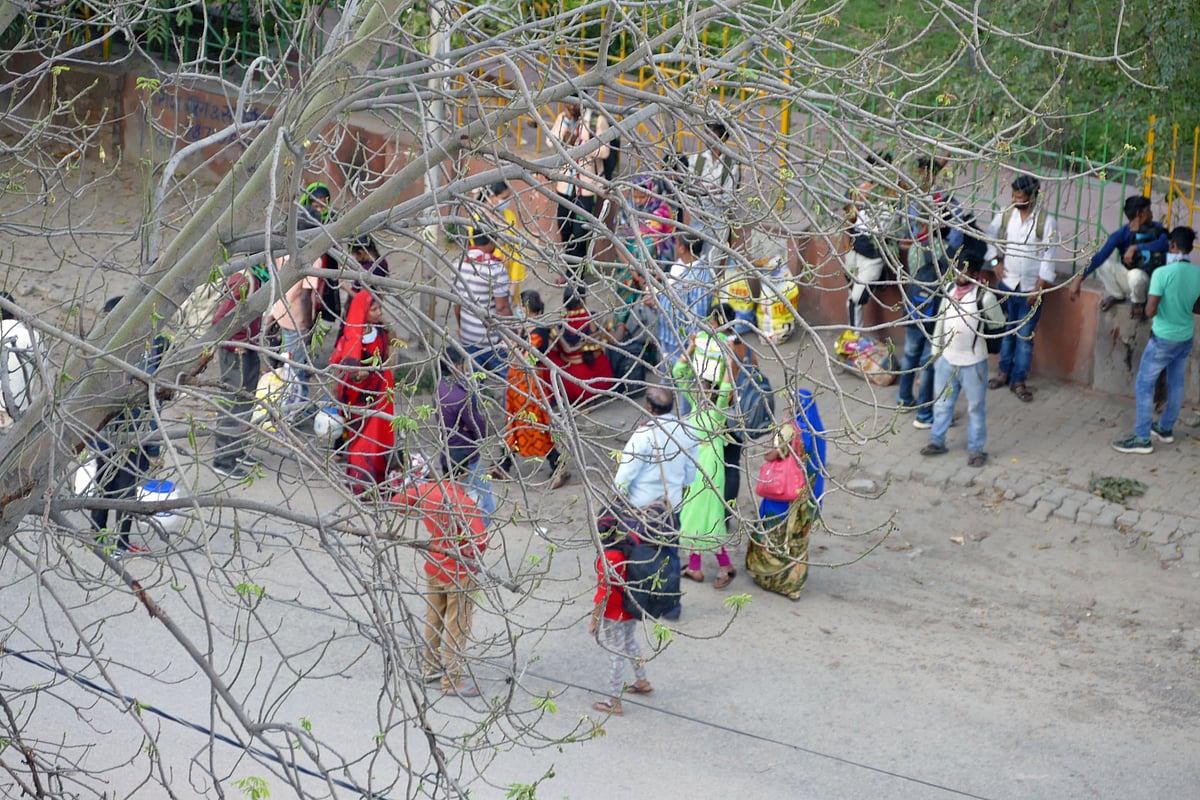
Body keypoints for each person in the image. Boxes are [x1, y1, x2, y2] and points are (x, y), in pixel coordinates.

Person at [398, 460, 489, 698]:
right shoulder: (464, 503)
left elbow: (398, 503)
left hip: (434, 563)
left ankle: (429, 669)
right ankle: (451, 680)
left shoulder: (428, 490)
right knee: (457, 625)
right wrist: (470, 556)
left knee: (434, 618)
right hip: (459, 571)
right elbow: (480, 539)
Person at [88, 295, 168, 556]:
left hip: (125, 426)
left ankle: (109, 537)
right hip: (117, 427)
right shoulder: (111, 345)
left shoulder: (151, 343)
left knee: (117, 483)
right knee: (114, 483)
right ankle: (108, 538)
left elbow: (154, 392)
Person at [1112, 226, 1200, 454]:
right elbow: (1198, 307)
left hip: (1163, 338)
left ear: (1172, 246)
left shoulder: (1162, 273)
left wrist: (1161, 303)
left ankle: (1142, 438)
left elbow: (1150, 311)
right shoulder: (1198, 273)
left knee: (1144, 384)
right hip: (1185, 336)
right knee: (1176, 382)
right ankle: (1165, 429)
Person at [897, 156, 965, 428]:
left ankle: (904, 398)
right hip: (933, 294)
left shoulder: (912, 202)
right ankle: (924, 414)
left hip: (914, 290)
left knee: (911, 348)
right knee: (927, 355)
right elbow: (959, 232)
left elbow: (903, 232)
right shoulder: (944, 203)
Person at [918, 257, 1005, 467]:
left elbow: (998, 323)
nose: (959, 275)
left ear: (975, 275)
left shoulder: (984, 297)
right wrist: (935, 352)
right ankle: (937, 441)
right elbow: (940, 321)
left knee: (975, 408)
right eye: (957, 270)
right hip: (946, 360)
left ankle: (976, 449)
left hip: (973, 362)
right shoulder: (948, 290)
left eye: (964, 272)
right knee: (942, 404)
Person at [982, 174, 1058, 403]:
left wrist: (1039, 288)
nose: (1015, 200)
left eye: (1020, 196)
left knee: (1024, 337)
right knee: (1006, 332)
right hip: (1008, 284)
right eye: (1013, 195)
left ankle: (1019, 380)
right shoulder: (1006, 215)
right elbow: (989, 235)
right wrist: (995, 262)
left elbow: (1049, 257)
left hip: (1030, 289)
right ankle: (1003, 373)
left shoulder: (1046, 222)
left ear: (1032, 197)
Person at [747, 390, 826, 600]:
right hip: (804, 497)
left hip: (782, 492)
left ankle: (769, 577)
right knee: (796, 540)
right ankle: (793, 585)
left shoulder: (789, 429)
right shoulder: (817, 430)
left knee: (774, 532)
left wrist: (780, 426)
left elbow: (770, 454)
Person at [676, 329, 737, 589]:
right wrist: (691, 348)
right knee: (692, 514)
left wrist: (729, 361)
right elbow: (678, 373)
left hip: (710, 467)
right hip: (695, 464)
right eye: (697, 386)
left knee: (708, 516)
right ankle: (695, 567)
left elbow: (726, 386)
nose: (698, 389)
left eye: (703, 385)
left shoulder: (718, 408)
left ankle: (726, 567)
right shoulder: (694, 403)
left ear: (710, 389)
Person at [491, 291, 569, 489]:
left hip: (530, 388)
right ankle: (503, 465)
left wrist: (510, 349)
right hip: (519, 387)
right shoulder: (528, 329)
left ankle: (558, 465)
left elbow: (524, 360)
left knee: (536, 429)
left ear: (526, 309)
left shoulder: (538, 332)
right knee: (515, 426)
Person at [329, 290, 396, 493]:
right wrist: (357, 374)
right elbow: (339, 367)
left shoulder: (381, 332)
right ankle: (361, 485)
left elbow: (390, 357)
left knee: (378, 438)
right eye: (373, 308)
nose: (378, 312)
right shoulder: (351, 337)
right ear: (362, 311)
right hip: (358, 398)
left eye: (379, 308)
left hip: (379, 393)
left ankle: (378, 482)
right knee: (361, 441)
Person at [211, 263, 272, 480]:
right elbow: (220, 320)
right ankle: (223, 460)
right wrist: (234, 342)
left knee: (246, 401)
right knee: (232, 404)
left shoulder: (258, 279)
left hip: (249, 346)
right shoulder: (244, 281)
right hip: (236, 349)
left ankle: (236, 450)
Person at [1069, 195, 1168, 321]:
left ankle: (1139, 303)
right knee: (1104, 265)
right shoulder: (1122, 234)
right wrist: (1079, 279)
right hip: (1131, 280)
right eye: (1149, 210)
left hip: (1151, 283)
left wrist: (1136, 248)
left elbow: (1165, 244)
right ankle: (1117, 295)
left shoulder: (1156, 228)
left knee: (1136, 275)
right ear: (1140, 213)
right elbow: (1099, 257)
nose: (1152, 214)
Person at [589, 524, 653, 717]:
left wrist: (594, 620)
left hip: (614, 614)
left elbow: (603, 594)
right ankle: (642, 681)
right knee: (630, 643)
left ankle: (614, 701)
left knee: (616, 654)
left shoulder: (607, 559)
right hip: (631, 608)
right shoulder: (628, 548)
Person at [548, 98, 610, 282]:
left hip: (586, 189)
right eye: (567, 103)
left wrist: (580, 145)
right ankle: (570, 270)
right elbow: (550, 141)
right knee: (565, 229)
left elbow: (604, 151)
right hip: (565, 186)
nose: (570, 107)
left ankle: (576, 276)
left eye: (574, 104)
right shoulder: (563, 118)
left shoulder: (596, 121)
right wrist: (565, 123)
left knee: (580, 233)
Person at [436, 347, 496, 522]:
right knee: (487, 505)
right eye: (464, 365)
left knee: (455, 501)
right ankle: (476, 540)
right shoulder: (462, 394)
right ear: (456, 366)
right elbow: (479, 427)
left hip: (447, 452)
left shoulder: (440, 389)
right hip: (467, 454)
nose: (468, 368)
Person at [842, 152, 900, 331]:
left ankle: (877, 280)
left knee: (858, 298)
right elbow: (849, 219)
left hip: (875, 252)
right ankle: (855, 337)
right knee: (852, 296)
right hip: (857, 246)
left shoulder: (895, 193)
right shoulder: (861, 191)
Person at [454, 232, 512, 378]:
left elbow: (457, 304)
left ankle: (474, 401)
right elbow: (502, 308)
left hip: (468, 336)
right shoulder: (496, 268)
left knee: (473, 382)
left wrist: (461, 328)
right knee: (511, 378)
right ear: (492, 241)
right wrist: (513, 334)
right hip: (492, 340)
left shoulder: (459, 263)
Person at [267, 255, 321, 412]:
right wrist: (308, 327)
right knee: (295, 370)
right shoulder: (312, 259)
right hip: (297, 320)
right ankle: (292, 409)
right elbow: (305, 297)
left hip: (281, 312)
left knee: (292, 365)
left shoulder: (284, 252)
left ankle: (300, 402)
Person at [548, 285, 614, 406]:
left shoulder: (559, 324)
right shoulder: (595, 318)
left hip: (569, 385)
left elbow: (559, 347)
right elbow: (611, 340)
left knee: (549, 358)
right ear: (583, 300)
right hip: (598, 381)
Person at [655, 233, 711, 374]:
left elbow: (698, 314)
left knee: (682, 378)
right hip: (668, 335)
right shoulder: (679, 267)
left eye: (677, 244)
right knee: (667, 374)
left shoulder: (700, 278)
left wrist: (691, 346)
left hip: (681, 342)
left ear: (682, 249)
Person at [685, 122, 741, 257]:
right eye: (707, 134)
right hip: (696, 219)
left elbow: (728, 198)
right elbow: (688, 189)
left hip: (718, 223)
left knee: (712, 264)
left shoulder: (731, 164)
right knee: (693, 262)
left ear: (723, 138)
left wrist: (702, 189)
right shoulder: (696, 159)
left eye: (712, 135)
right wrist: (714, 190)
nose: (708, 138)